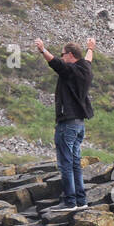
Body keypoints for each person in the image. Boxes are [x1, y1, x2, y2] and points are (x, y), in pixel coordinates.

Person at [35, 36, 94, 211]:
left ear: (70, 55)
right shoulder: (85, 69)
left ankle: (70, 202)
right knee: (75, 162)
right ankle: (81, 201)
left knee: (65, 163)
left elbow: (55, 63)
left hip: (67, 123)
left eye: (63, 54)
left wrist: (43, 50)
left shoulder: (70, 70)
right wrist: (91, 48)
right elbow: (88, 59)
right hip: (79, 124)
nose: (61, 57)